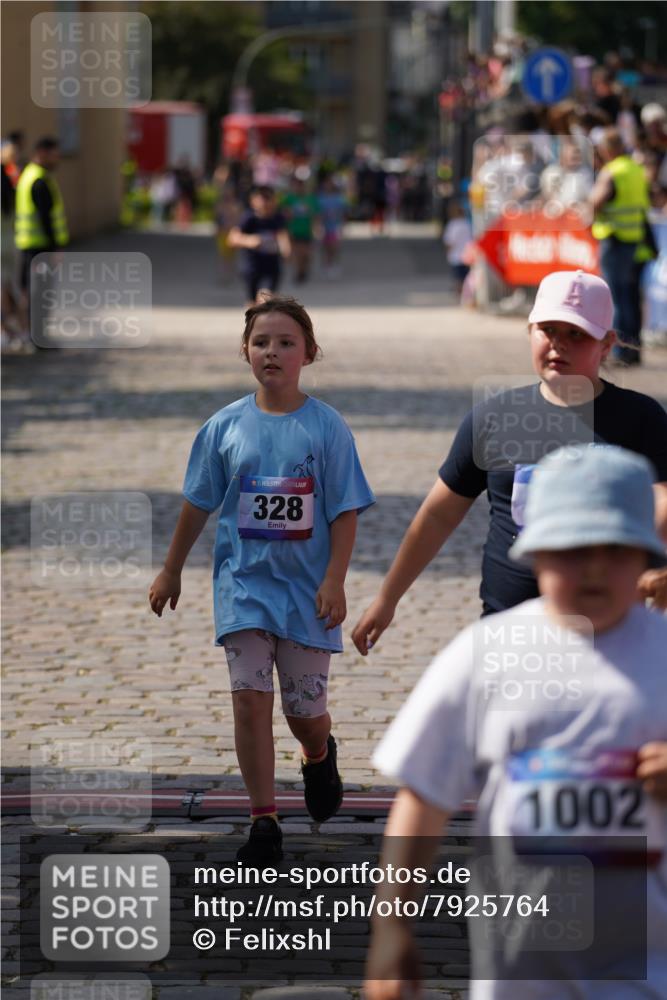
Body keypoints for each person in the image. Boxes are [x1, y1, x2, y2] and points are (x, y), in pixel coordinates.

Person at [365, 444, 667, 1000]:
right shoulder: (489, 652)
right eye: (573, 549)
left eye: (615, 550)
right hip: (521, 976)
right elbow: (424, 796)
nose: (595, 567)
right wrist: (391, 925)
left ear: (647, 557)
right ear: (535, 554)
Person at [148, 295, 375, 866]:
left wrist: (335, 579)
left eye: (286, 342)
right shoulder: (223, 427)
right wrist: (172, 567)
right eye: (261, 342)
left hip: (306, 594)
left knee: (303, 712)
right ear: (246, 351)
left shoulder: (326, 428)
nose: (272, 352)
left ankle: (318, 754)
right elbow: (198, 502)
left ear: (309, 352)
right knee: (250, 701)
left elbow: (344, 510)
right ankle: (263, 819)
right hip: (243, 588)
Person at [351, 269, 667, 654]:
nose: (558, 344)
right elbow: (438, 515)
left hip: (610, 633)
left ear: (607, 343)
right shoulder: (494, 418)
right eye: (547, 329)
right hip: (509, 628)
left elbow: (661, 505)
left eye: (576, 334)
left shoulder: (641, 419)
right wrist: (388, 598)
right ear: (529, 330)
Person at [590, 127, 651, 365]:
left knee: (616, 299)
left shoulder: (612, 171)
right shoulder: (636, 169)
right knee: (631, 298)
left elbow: (595, 203)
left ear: (607, 149)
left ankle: (619, 353)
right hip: (635, 240)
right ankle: (634, 350)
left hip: (614, 239)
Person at [14, 136, 69, 344]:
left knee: (32, 292)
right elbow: (45, 218)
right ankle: (38, 337)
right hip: (40, 248)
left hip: (29, 246)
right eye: (54, 155)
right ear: (42, 153)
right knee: (40, 294)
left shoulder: (30, 175)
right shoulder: (39, 180)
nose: (57, 160)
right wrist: (55, 249)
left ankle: (32, 335)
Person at [228, 186, 291, 305]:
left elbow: (282, 234)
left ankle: (264, 319)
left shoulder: (278, 218)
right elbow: (232, 238)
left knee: (266, 298)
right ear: (253, 201)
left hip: (272, 266)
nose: (266, 202)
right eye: (262, 198)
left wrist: (286, 249)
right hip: (253, 267)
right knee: (252, 303)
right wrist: (248, 240)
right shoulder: (249, 218)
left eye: (269, 198)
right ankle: (253, 322)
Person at [281, 174, 320, 284]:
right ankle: (298, 273)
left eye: (300, 186)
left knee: (306, 255)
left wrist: (316, 228)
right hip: (294, 230)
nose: (298, 188)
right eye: (296, 186)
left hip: (307, 230)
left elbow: (316, 215)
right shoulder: (288, 199)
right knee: (297, 253)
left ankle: (303, 271)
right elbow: (283, 214)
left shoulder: (310, 199)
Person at [317, 174, 346, 277]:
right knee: (325, 247)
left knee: (334, 247)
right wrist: (318, 226)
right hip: (324, 227)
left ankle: (334, 264)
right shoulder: (320, 198)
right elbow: (318, 213)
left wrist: (342, 226)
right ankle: (326, 265)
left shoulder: (339, 199)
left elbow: (342, 213)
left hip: (334, 227)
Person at [442, 200, 473, 292]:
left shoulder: (452, 225)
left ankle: (460, 294)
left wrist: (448, 252)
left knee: (458, 278)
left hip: (456, 256)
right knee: (466, 277)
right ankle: (466, 294)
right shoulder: (467, 224)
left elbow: (449, 242)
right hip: (467, 255)